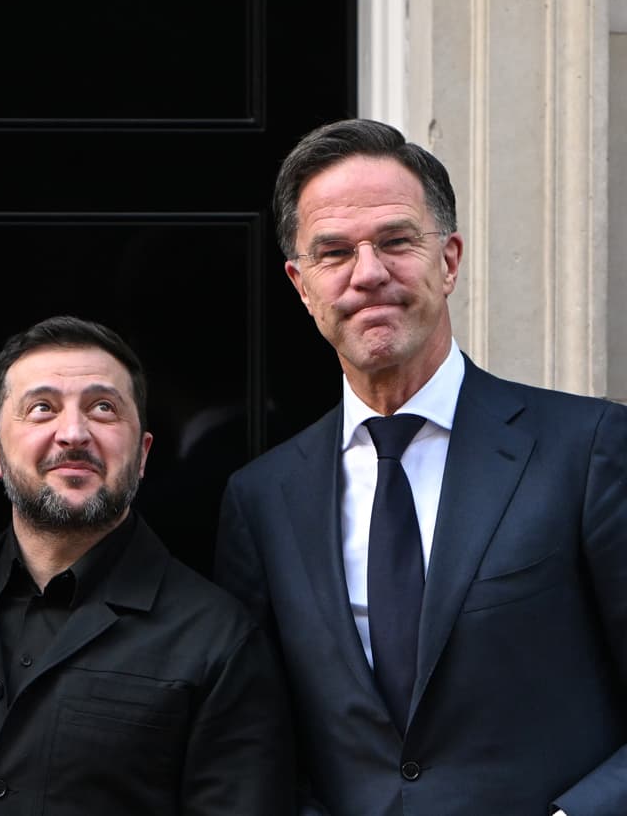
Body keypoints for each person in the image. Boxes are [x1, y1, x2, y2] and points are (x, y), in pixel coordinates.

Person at [216, 119, 627, 816]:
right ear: (301, 285)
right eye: (334, 252)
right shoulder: (262, 500)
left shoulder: (586, 448)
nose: (368, 272)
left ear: (450, 259)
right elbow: (260, 740)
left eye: (397, 240)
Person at [0, 316, 294, 816]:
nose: (73, 433)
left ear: (143, 453)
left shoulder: (220, 641)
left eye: (103, 408)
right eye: (41, 408)